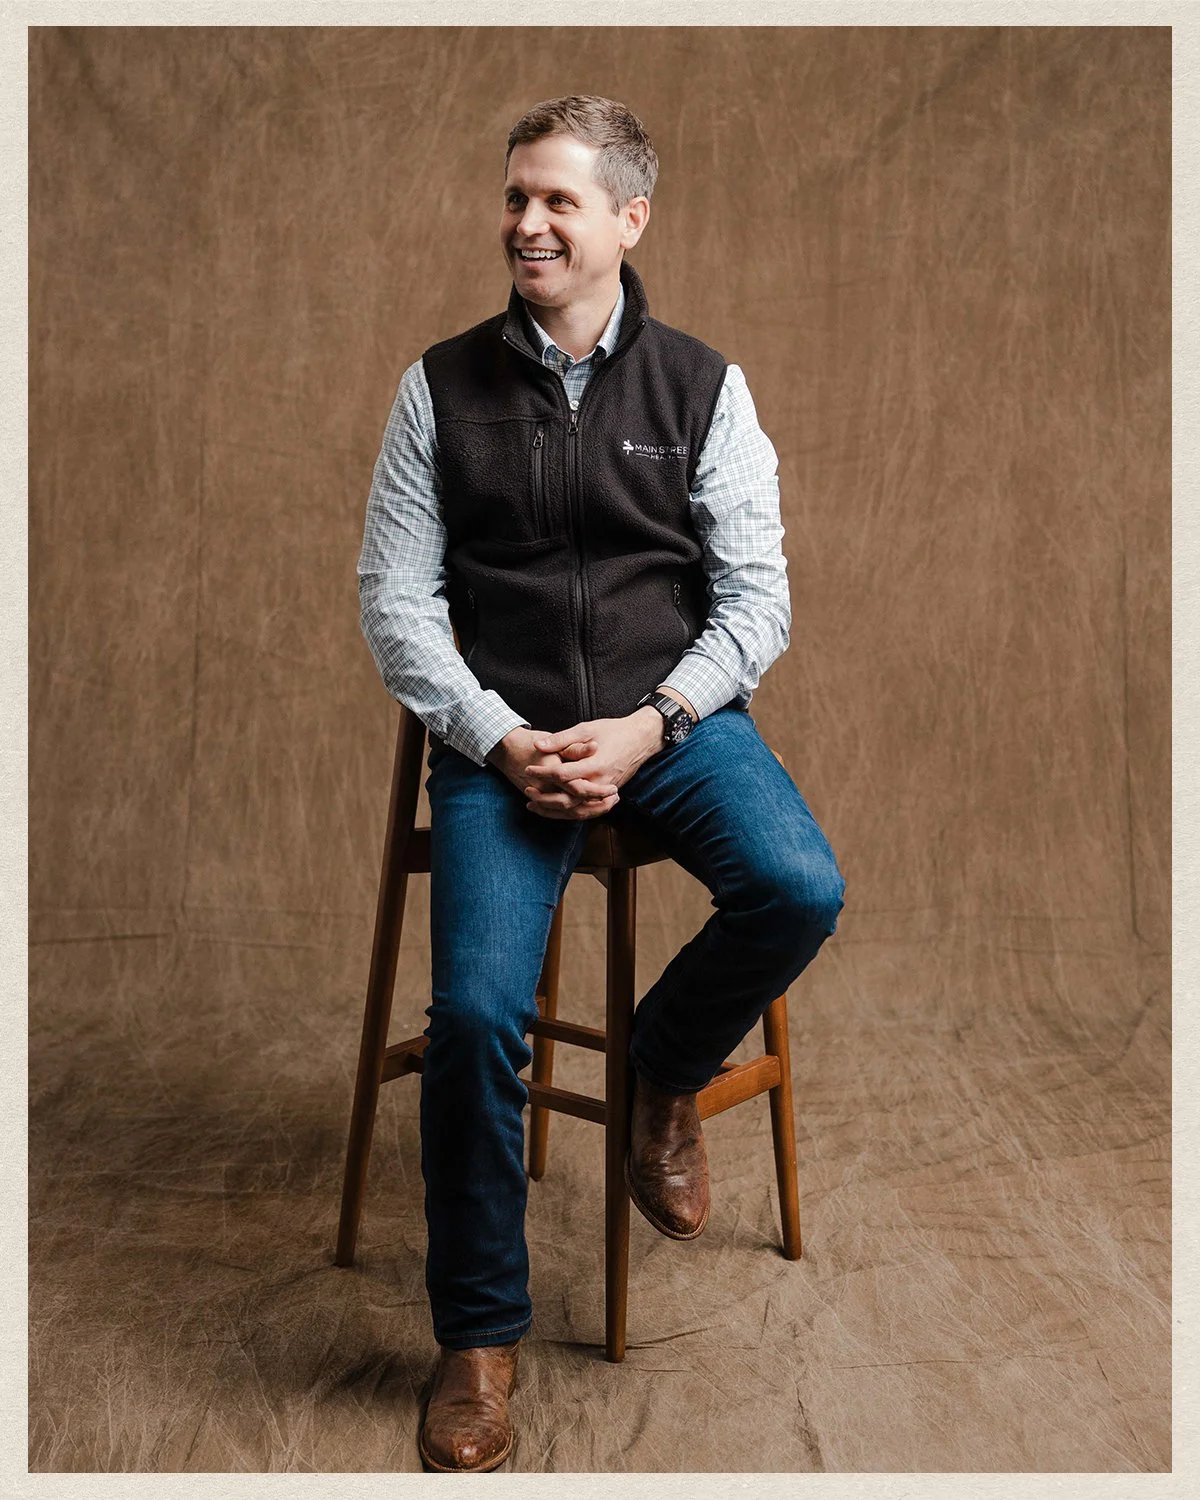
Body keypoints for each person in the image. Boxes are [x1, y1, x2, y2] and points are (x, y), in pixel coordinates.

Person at [356, 94, 846, 1473]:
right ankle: (479, 1337)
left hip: (671, 727)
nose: (526, 223)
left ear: (630, 219)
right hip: (499, 746)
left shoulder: (701, 384)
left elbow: (758, 600)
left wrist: (651, 722)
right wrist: (497, 734)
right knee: (471, 1022)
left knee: (800, 887)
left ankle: (658, 1072)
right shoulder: (436, 386)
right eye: (517, 196)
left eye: (559, 201)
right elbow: (394, 603)